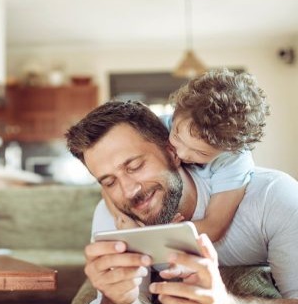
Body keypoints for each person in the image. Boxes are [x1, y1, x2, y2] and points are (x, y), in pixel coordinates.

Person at [65, 100, 298, 304]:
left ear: (173, 153)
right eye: (109, 181)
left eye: (135, 166)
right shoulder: (113, 217)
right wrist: (119, 301)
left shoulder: (272, 195)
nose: (129, 191)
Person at [107, 69, 271, 242]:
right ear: (176, 112)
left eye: (200, 152)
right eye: (177, 134)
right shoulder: (158, 127)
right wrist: (129, 223)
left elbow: (214, 226)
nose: (181, 153)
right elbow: (110, 179)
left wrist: (160, 232)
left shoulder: (233, 160)